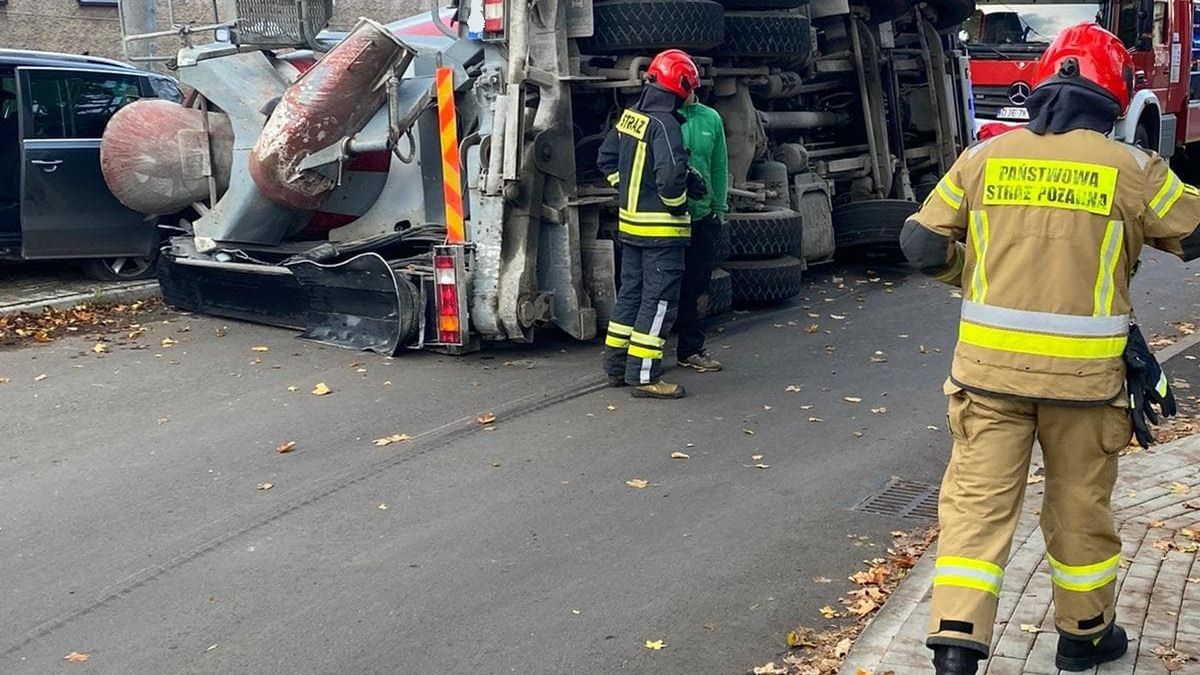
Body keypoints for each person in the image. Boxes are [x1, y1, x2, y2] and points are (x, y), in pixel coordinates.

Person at [900, 23, 1200, 675]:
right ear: (1113, 97)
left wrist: (970, 270)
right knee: (1079, 508)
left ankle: (955, 643)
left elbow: (920, 244)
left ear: (1041, 88)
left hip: (988, 380)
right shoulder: (1132, 170)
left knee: (977, 508)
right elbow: (1195, 232)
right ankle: (1084, 635)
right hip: (1085, 387)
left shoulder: (984, 159)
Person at [597, 49, 704, 399]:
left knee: (630, 296)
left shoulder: (631, 116)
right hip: (661, 232)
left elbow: (607, 159)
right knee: (658, 303)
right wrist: (678, 203)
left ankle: (616, 367)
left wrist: (629, 192)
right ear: (681, 84)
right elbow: (671, 178)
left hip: (631, 228)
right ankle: (644, 376)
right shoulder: (667, 124)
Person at [675, 86, 729, 373]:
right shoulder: (664, 118)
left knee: (696, 288)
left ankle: (691, 350)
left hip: (703, 218)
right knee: (662, 288)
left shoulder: (711, 119)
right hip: (670, 219)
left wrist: (719, 209)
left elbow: (719, 167)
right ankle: (649, 352)